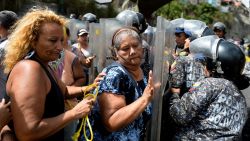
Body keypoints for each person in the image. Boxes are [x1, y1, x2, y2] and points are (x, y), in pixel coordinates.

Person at [3, 8, 104, 141]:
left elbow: (64, 90)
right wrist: (74, 113)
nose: (60, 47)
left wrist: (89, 88)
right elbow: (27, 133)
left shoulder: (44, 64)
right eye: (52, 41)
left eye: (61, 41)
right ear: (33, 41)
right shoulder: (29, 69)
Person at [169, 35, 247, 140]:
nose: (205, 65)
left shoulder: (210, 85)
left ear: (217, 67)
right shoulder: (240, 96)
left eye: (208, 63)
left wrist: (175, 94)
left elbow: (179, 115)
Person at [83, 27, 154, 141]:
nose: (132, 51)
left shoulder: (143, 71)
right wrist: (144, 99)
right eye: (125, 49)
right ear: (116, 53)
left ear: (142, 47)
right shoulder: (114, 75)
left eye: (136, 45)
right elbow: (112, 122)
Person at [49, 26, 86, 141]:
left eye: (62, 38)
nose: (59, 43)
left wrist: (71, 90)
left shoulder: (71, 57)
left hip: (68, 106)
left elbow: (81, 77)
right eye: (53, 39)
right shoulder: (39, 59)